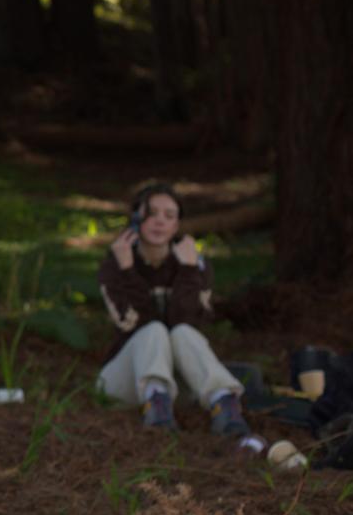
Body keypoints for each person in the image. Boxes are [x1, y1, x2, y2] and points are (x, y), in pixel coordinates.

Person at [96, 184, 250, 436]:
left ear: (177, 226)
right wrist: (127, 270)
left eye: (169, 216)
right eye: (152, 213)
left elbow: (187, 322)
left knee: (182, 333)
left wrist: (188, 270)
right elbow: (138, 323)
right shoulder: (116, 266)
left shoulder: (193, 265)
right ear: (136, 218)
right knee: (154, 330)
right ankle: (155, 404)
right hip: (126, 383)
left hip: (179, 386)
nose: (159, 222)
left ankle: (224, 403)